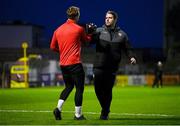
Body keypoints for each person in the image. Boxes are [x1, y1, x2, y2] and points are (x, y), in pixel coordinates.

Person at [93, 10, 136, 120]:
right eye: (106, 17)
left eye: (110, 17)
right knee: (98, 90)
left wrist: (131, 57)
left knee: (107, 90)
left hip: (112, 67)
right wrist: (89, 33)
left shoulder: (123, 35)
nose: (107, 19)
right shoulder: (98, 31)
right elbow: (88, 42)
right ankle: (106, 109)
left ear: (115, 20)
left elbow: (128, 49)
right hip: (98, 65)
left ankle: (104, 113)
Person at [50, 6, 92, 120]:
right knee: (79, 89)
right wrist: (91, 33)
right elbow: (87, 42)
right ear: (77, 15)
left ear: (68, 15)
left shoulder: (57, 30)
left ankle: (58, 109)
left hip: (63, 64)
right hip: (75, 63)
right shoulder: (79, 29)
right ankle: (78, 115)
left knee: (68, 87)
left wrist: (62, 51)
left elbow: (52, 47)